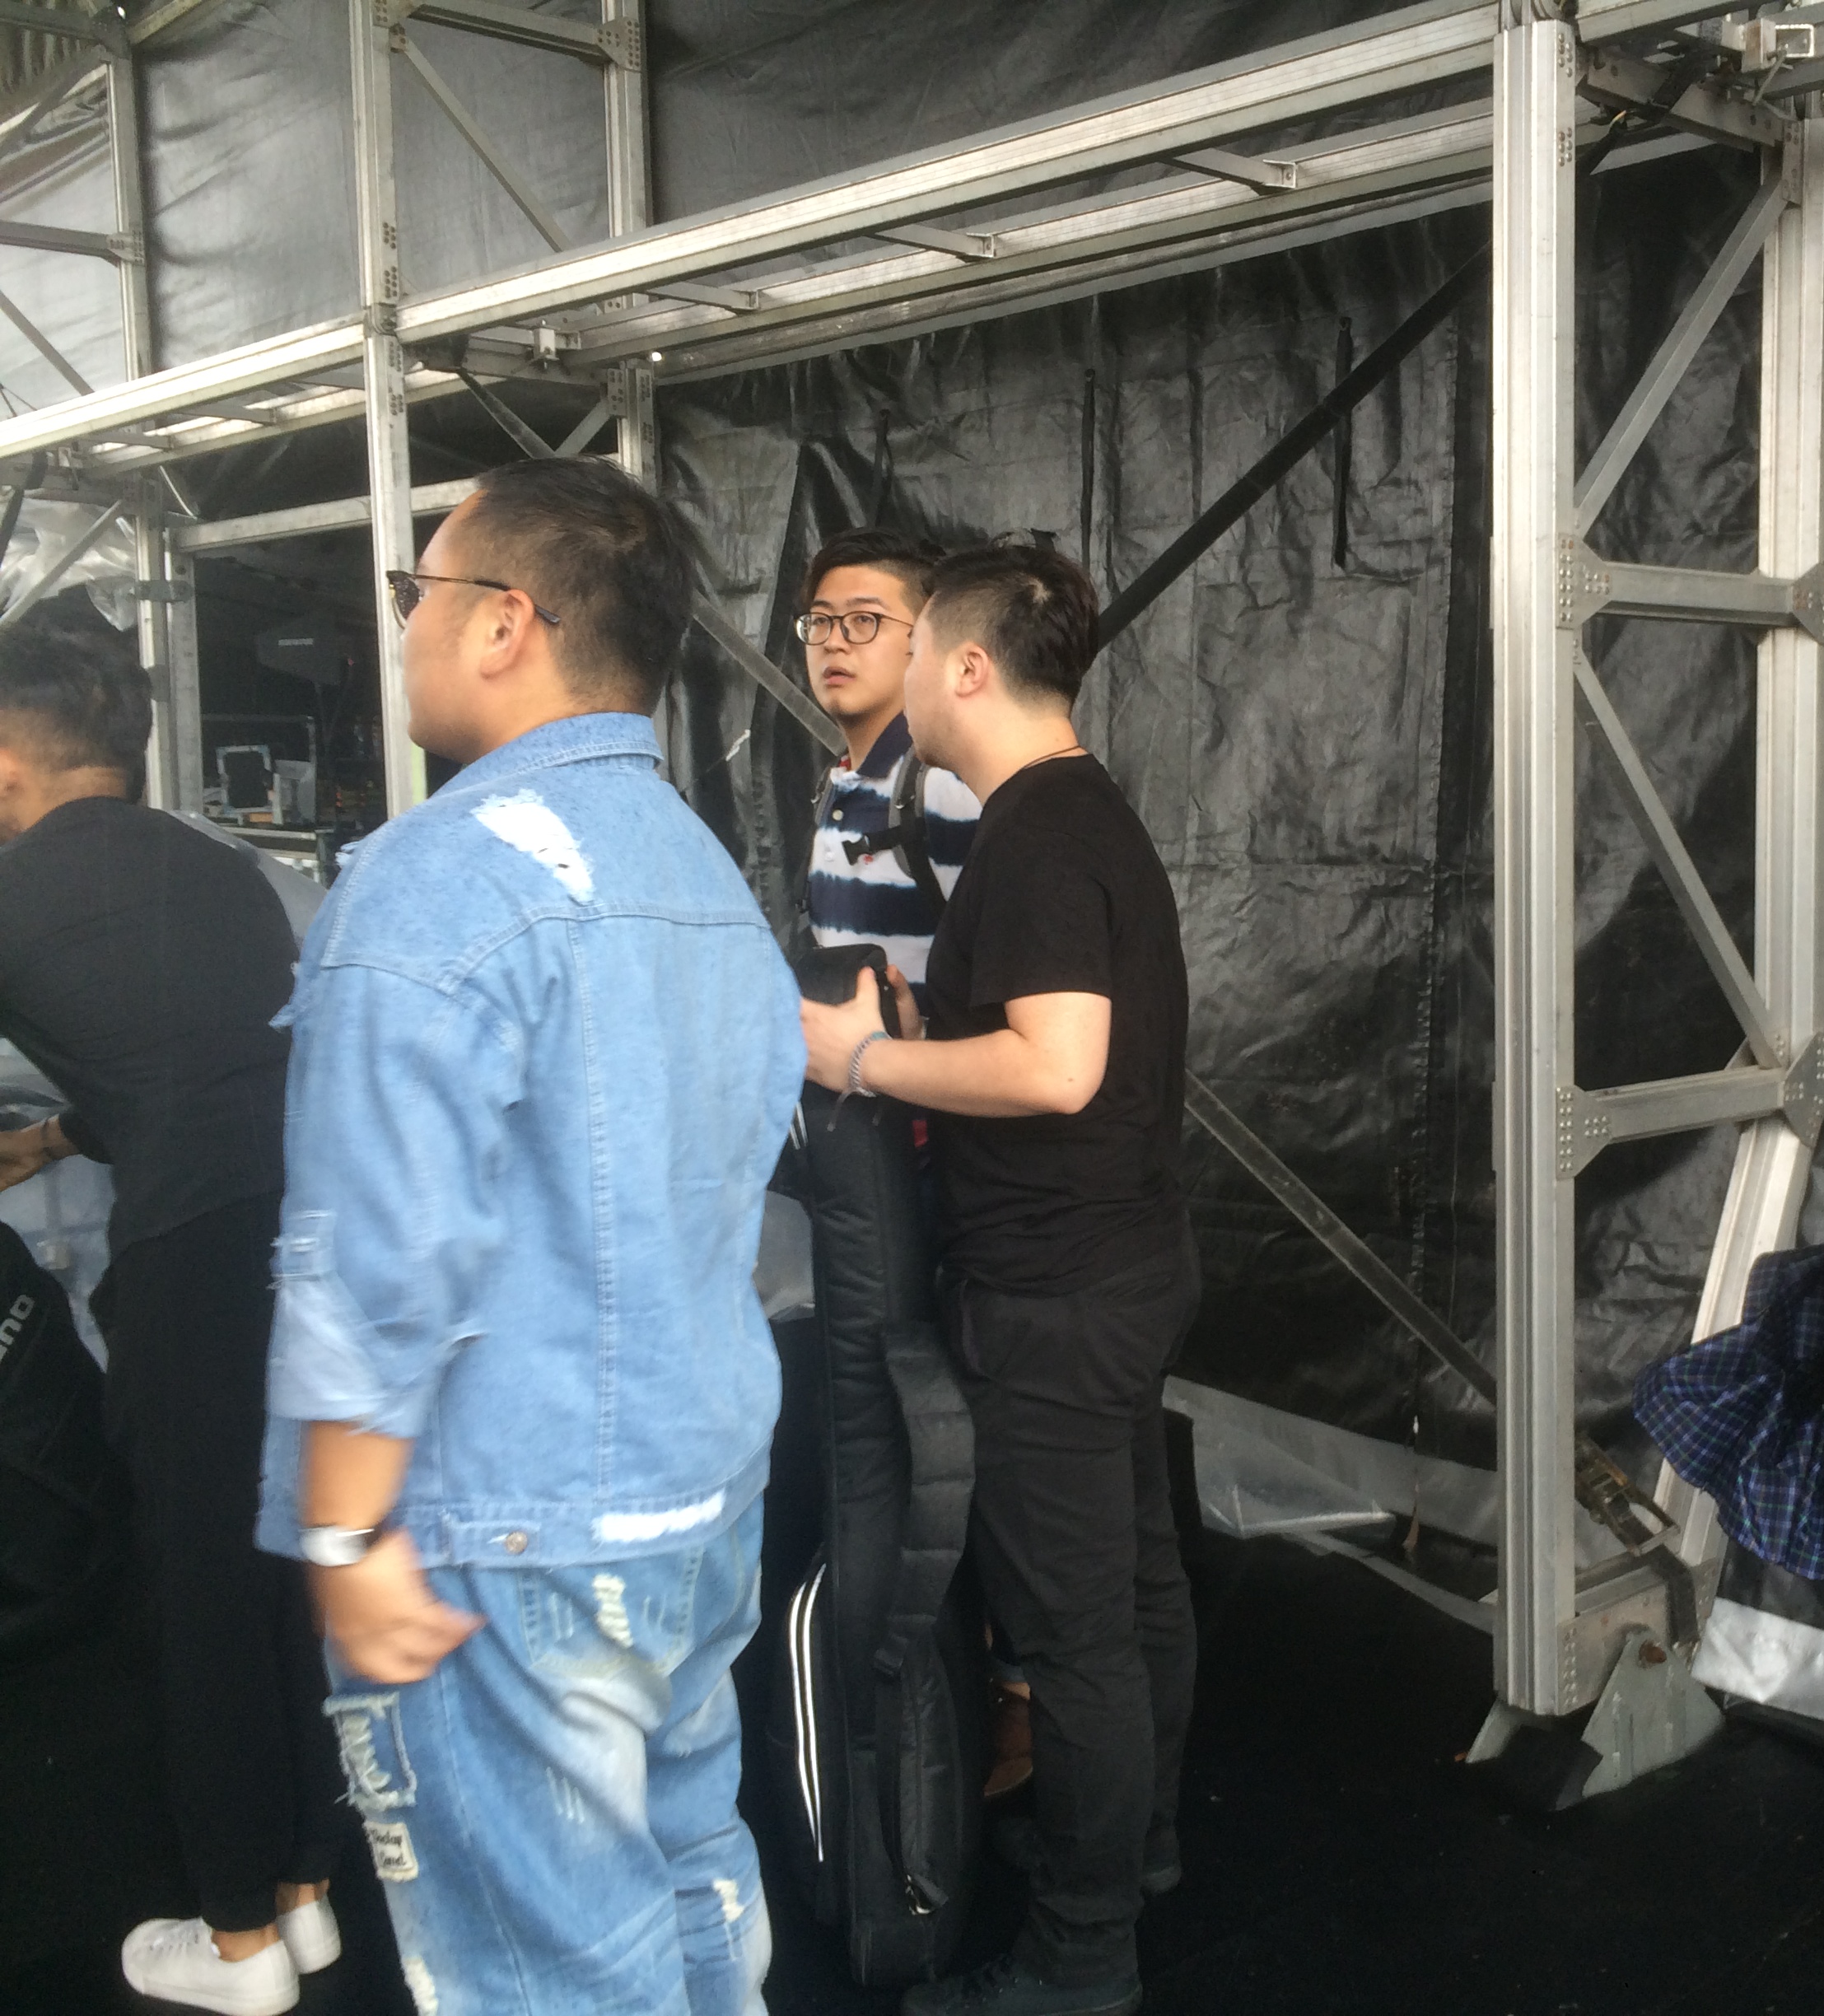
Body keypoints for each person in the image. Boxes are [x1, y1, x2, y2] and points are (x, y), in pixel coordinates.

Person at [254, 457, 805, 2016]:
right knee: (692, 1871)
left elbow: (373, 1256)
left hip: (508, 1528)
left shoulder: (436, 877)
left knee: (542, 1970)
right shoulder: (699, 872)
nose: (403, 626)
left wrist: (344, 1530)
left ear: (504, 622)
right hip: (696, 1493)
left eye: (413, 592)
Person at [800, 544, 1197, 2016]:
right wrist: (927, 1022)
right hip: (1122, 1266)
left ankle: (1081, 1954)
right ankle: (1136, 1851)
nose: (895, 672)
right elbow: (1048, 1030)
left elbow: (1056, 1065)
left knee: (1076, 1640)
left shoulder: (1032, 836)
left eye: (911, 648)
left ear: (964, 668)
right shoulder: (1075, 816)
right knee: (1137, 1590)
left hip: (1054, 1296)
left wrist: (861, 1055)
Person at [0, 620, 345, 2016]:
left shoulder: (12, 890)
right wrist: (51, 1138)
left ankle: (238, 1940)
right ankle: (305, 1893)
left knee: (196, 1593)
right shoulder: (234, 874)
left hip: (189, 1261)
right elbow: (199, 1057)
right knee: (278, 1571)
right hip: (311, 1242)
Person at [798, 528, 982, 983]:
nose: (833, 641)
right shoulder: (836, 783)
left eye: (864, 619)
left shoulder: (948, 787)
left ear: (927, 639)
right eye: (819, 620)